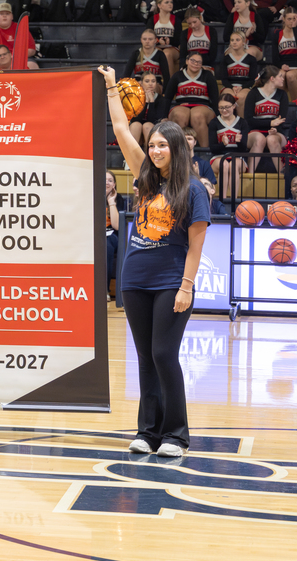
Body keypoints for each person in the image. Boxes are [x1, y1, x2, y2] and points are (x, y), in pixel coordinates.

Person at [100, 63, 210, 458]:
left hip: (170, 282)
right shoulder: (144, 177)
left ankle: (176, 435)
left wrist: (186, 287)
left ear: (177, 148)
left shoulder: (194, 190)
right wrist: (113, 87)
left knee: (164, 354)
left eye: (163, 145)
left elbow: (196, 246)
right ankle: (147, 432)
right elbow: (119, 130)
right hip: (136, 277)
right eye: (153, 145)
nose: (155, 150)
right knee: (145, 357)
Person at [164, 52, 218, 147]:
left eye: (199, 62)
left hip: (203, 105)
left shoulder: (207, 75)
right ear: (187, 61)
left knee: (197, 115)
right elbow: (168, 97)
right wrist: (163, 116)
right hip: (182, 105)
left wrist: (219, 117)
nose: (196, 64)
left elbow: (215, 98)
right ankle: (178, 151)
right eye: (193, 61)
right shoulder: (177, 75)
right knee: (180, 115)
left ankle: (205, 152)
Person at [245, 66, 288, 173]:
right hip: (254, 132)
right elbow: (248, 120)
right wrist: (270, 123)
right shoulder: (253, 93)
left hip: (276, 131)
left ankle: (283, 176)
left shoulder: (282, 95)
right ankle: (249, 177)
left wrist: (274, 128)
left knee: (271, 139)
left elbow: (281, 120)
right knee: (260, 139)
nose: (283, 79)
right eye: (280, 76)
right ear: (272, 78)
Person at [209, 93, 249, 199]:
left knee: (233, 165)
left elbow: (243, 149)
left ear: (234, 106)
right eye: (221, 108)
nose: (224, 110)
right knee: (224, 164)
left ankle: (233, 200)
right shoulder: (214, 122)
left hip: (237, 156)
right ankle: (223, 200)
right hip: (218, 157)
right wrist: (223, 144)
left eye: (227, 107)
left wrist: (238, 142)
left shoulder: (242, 122)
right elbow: (212, 148)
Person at [270, 7, 297, 101]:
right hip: (283, 66)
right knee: (280, 76)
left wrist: (294, 28)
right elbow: (274, 57)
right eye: (289, 19)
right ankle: (280, 107)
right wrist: (281, 66)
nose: (291, 21)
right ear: (284, 19)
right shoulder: (277, 34)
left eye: (294, 19)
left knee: (290, 76)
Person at [221, 31, 257, 117]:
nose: (234, 42)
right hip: (229, 86)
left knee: (240, 98)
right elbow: (224, 79)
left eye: (237, 40)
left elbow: (252, 79)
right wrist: (232, 87)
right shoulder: (225, 59)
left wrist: (242, 87)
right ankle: (227, 125)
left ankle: (241, 124)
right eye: (232, 40)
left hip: (245, 86)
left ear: (244, 42)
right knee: (228, 98)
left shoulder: (251, 59)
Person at [129, 71, 167, 146]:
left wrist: (152, 102)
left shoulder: (161, 99)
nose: (150, 84)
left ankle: (149, 155)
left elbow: (154, 120)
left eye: (153, 81)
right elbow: (136, 119)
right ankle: (131, 156)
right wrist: (145, 102)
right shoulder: (135, 97)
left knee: (147, 126)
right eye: (147, 81)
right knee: (136, 125)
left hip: (151, 128)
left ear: (156, 84)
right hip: (137, 128)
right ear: (141, 83)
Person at [105, 170, 126, 299]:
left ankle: (105, 290)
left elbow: (116, 225)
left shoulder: (119, 199)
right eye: (104, 179)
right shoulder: (89, 196)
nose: (106, 182)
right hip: (93, 233)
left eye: (110, 180)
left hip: (111, 234)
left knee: (106, 246)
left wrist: (111, 202)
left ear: (114, 185)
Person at [146, 0, 181, 76]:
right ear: (159, 5)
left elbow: (179, 39)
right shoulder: (152, 19)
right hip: (157, 46)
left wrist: (169, 40)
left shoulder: (176, 20)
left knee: (167, 53)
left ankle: (169, 83)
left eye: (171, 2)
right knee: (157, 53)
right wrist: (158, 41)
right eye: (167, 2)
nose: (170, 4)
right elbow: (148, 36)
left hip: (172, 48)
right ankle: (154, 81)